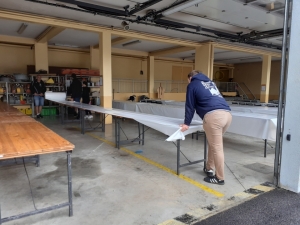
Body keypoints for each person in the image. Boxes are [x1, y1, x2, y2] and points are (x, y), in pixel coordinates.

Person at [180, 70, 232, 185]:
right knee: (213, 144)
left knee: (217, 147)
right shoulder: (210, 83)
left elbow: (190, 105)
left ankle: (219, 178)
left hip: (214, 117)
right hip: (227, 115)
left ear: (190, 78)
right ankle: (209, 168)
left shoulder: (192, 84)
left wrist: (186, 123)